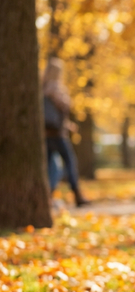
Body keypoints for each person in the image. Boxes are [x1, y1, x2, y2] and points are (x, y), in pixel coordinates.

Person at [42, 57, 90, 207]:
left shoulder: (41, 88)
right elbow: (64, 106)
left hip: (46, 133)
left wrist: (67, 125)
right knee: (70, 162)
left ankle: (47, 197)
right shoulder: (55, 88)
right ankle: (77, 195)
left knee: (50, 166)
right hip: (58, 135)